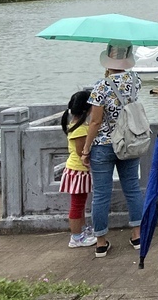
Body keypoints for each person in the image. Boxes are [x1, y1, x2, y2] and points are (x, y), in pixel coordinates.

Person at [81, 43, 144, 258]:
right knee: (132, 189)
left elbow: (95, 122)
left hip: (104, 145)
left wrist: (86, 149)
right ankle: (137, 235)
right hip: (129, 142)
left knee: (101, 194)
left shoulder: (101, 86)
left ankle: (100, 241)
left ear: (107, 59)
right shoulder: (136, 80)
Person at [60, 90, 97, 249]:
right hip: (78, 171)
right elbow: (82, 152)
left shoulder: (76, 125)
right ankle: (76, 237)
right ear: (87, 109)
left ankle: (81, 232)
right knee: (77, 205)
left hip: (76, 171)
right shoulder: (80, 129)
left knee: (79, 204)